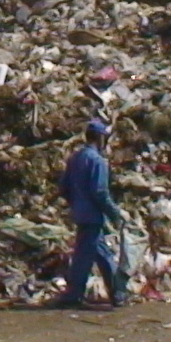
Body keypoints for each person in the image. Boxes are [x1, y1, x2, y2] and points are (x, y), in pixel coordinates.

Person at [54, 117, 124, 308]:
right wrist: (114, 213)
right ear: (100, 138)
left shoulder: (75, 158)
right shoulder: (98, 161)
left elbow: (63, 187)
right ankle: (74, 296)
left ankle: (118, 293)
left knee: (101, 253)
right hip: (93, 216)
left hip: (80, 214)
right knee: (83, 257)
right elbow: (100, 192)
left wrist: (76, 204)